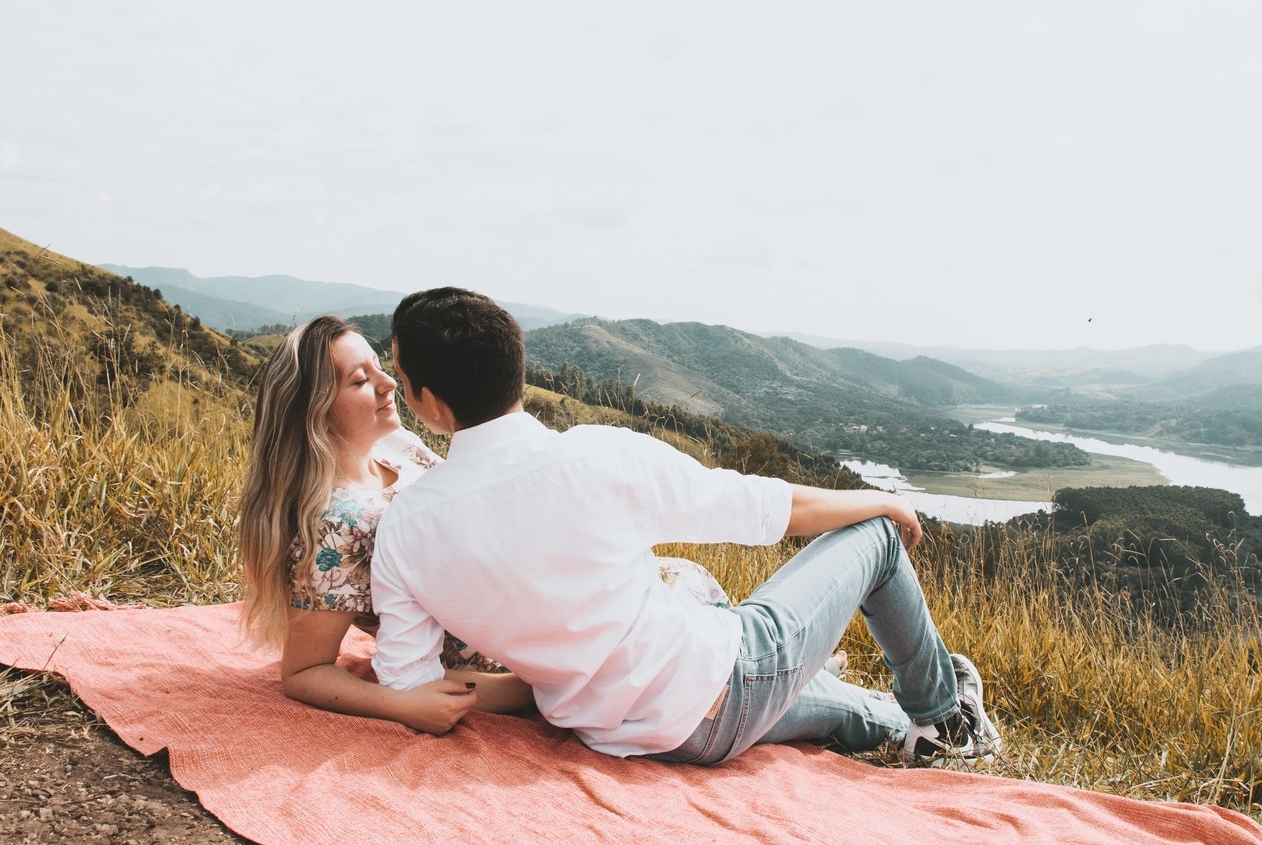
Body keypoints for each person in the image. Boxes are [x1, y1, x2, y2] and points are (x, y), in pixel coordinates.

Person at [371, 288, 1001, 766]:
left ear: (429, 401)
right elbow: (769, 511)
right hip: (719, 684)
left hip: (645, 735)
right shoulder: (599, 457)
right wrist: (877, 500)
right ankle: (946, 718)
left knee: (803, 695)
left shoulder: (405, 529)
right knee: (877, 538)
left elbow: (409, 682)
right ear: (517, 369)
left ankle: (903, 726)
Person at [235, 315, 744, 734]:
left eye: (380, 367)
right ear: (317, 409)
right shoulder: (335, 521)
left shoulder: (400, 449)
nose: (390, 384)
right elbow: (304, 672)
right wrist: (402, 705)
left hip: (526, 598)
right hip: (503, 655)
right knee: (672, 638)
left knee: (666, 597)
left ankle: (782, 680)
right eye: (361, 380)